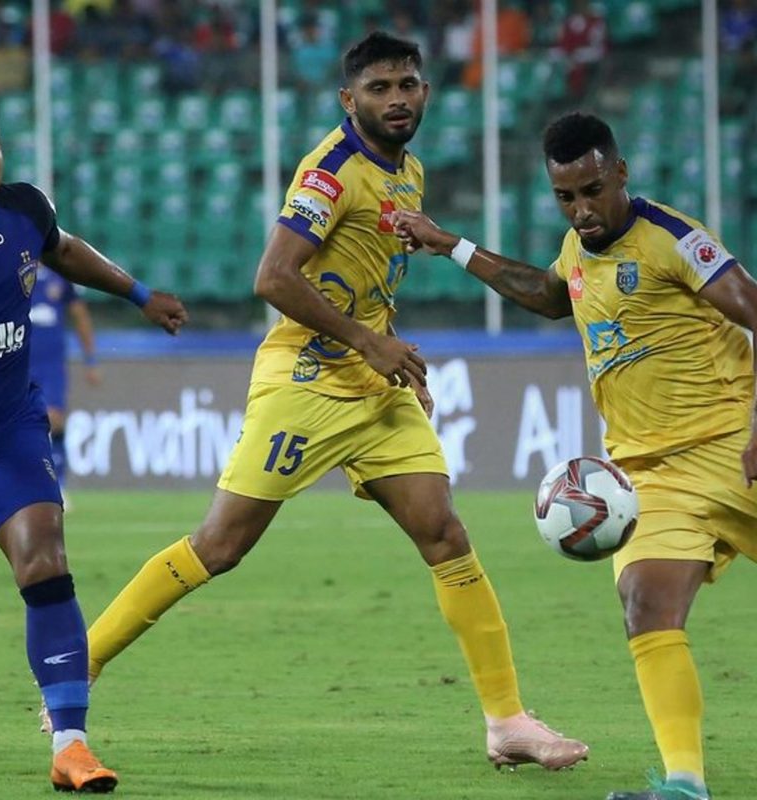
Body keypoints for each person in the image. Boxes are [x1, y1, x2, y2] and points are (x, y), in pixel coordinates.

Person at [73, 32, 589, 775]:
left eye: (407, 84)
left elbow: (364, 280)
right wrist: (369, 342)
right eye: (379, 88)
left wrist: (387, 347)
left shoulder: (409, 171)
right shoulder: (332, 172)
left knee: (444, 533)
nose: (397, 99)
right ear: (349, 99)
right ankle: (78, 666)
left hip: (374, 386)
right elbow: (274, 277)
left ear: (426, 91)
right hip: (306, 381)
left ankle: (507, 721)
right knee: (221, 546)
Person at [391, 111, 757, 800]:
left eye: (593, 190)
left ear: (620, 173)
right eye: (566, 197)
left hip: (732, 447)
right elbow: (551, 295)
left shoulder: (672, 238)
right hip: (651, 476)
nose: (582, 210)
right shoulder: (577, 248)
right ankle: (685, 784)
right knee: (646, 605)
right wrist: (452, 246)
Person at [0, 82, 187, 793]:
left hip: (5, 427)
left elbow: (62, 249)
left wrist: (138, 294)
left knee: (45, 560)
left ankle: (70, 745)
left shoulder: (24, 210)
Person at [30, 266, 101, 507]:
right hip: (19, 360)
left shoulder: (61, 275)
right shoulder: (13, 267)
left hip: (51, 363)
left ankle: (58, 485)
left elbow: (80, 314)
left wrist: (90, 360)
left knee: (55, 419)